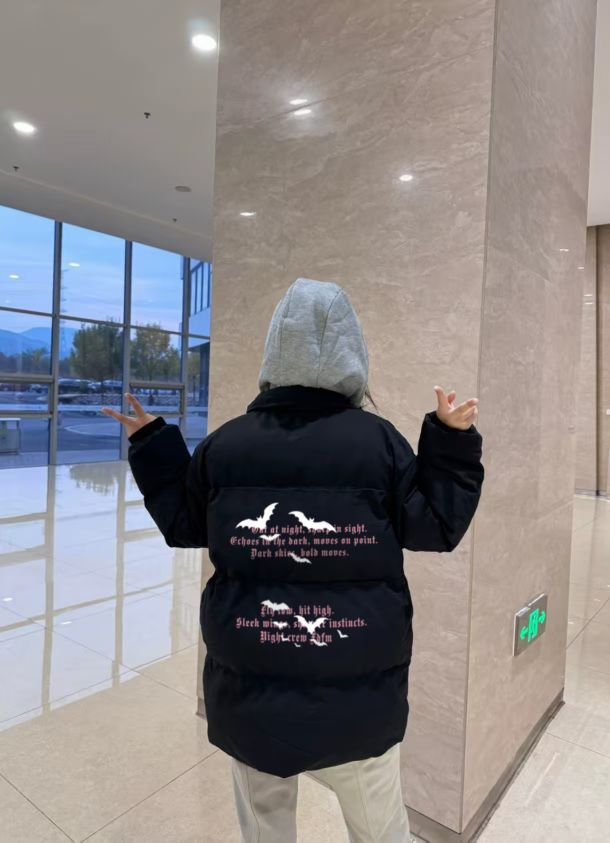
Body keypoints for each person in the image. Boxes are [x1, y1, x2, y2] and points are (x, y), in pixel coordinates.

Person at [101, 277, 484, 843]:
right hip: (358, 693)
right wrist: (450, 442)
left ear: (274, 351)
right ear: (353, 356)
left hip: (251, 688)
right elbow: (435, 528)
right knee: (380, 825)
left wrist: (154, 444)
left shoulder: (227, 445)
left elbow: (185, 525)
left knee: (265, 823)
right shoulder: (379, 443)